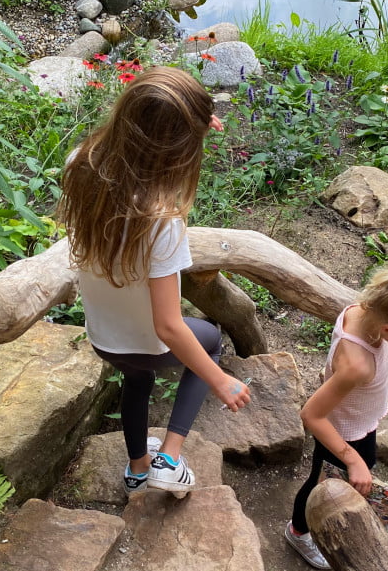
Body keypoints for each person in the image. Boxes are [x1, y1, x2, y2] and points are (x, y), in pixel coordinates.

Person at [58, 66, 252, 497]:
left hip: (104, 335)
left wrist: (196, 123)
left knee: (137, 380)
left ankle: (136, 468)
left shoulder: (80, 164)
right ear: (176, 149)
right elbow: (168, 326)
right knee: (211, 340)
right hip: (148, 341)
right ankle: (169, 457)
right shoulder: (160, 222)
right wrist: (220, 380)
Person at [285, 267, 388, 569]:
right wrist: (351, 459)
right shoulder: (357, 366)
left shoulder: (366, 311)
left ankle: (352, 483)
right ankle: (299, 531)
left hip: (359, 418)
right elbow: (311, 415)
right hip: (342, 432)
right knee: (320, 483)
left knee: (364, 466)